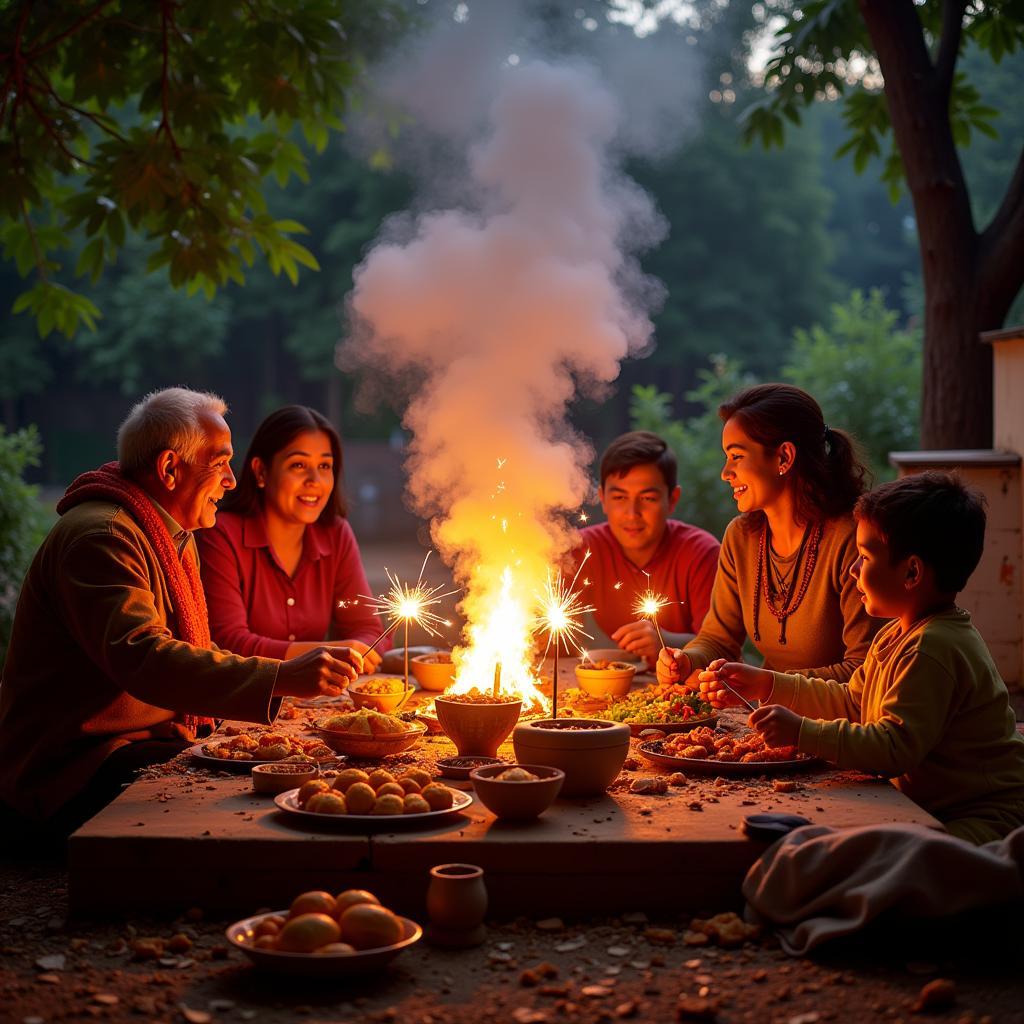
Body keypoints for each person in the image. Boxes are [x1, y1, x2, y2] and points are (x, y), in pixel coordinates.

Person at [0, 388, 362, 838]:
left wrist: (274, 685)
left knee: (289, 766)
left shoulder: (169, 529)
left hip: (144, 741)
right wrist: (280, 676)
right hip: (74, 765)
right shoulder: (103, 535)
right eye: (220, 463)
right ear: (170, 468)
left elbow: (194, 646)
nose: (230, 481)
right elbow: (146, 657)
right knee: (254, 788)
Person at [696, 472, 1024, 845]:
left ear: (912, 572)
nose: (853, 569)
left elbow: (892, 748)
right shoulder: (896, 634)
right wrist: (769, 684)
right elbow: (852, 702)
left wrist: (802, 733)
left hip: (985, 816)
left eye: (865, 557)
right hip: (929, 808)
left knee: (884, 862)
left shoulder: (933, 648)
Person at [657, 383, 880, 688]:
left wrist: (766, 685)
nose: (725, 472)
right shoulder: (741, 537)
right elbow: (718, 639)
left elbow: (864, 671)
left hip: (840, 728)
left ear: (784, 458)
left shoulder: (851, 539)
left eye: (736, 456)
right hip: (770, 719)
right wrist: (687, 659)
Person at [196, 405, 386, 670]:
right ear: (261, 471)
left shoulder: (336, 534)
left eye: (324, 465)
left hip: (318, 705)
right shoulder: (220, 535)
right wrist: (331, 652)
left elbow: (368, 628)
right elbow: (227, 643)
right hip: (241, 704)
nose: (314, 480)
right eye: (298, 465)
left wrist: (359, 649)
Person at [573, 431, 719, 665]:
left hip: (691, 687)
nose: (632, 514)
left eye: (648, 498)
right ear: (602, 498)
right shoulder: (583, 548)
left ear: (672, 500)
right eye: (620, 498)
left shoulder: (701, 553)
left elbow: (724, 647)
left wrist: (667, 642)